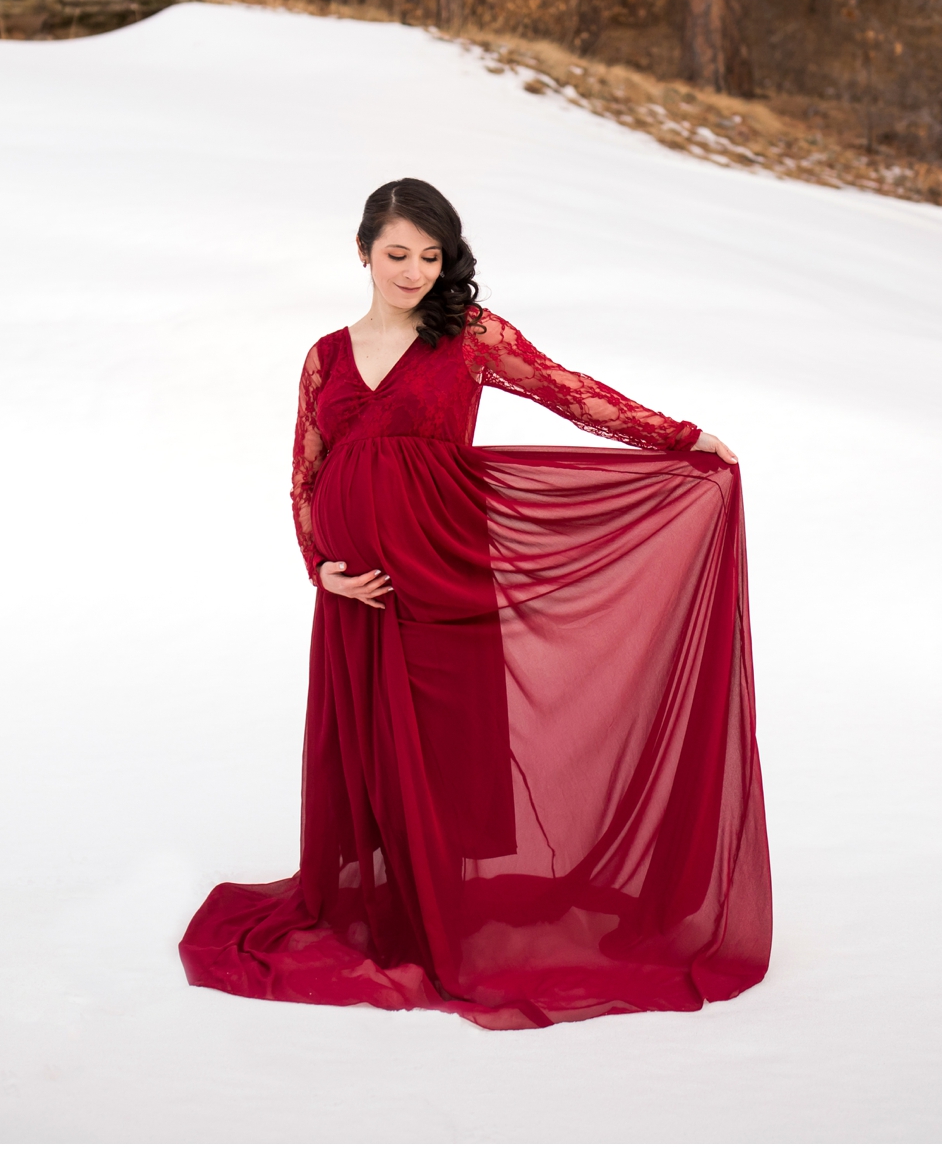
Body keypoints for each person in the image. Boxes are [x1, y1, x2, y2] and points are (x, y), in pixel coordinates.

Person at [178, 178, 771, 1030]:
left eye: (430, 255)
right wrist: (321, 567)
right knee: (373, 754)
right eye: (396, 254)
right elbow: (306, 473)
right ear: (362, 253)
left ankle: (444, 921)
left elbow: (568, 389)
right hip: (359, 596)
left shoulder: (470, 337)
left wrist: (680, 437)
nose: (413, 270)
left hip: (446, 568)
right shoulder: (325, 355)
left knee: (448, 751)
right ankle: (391, 914)